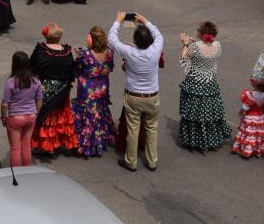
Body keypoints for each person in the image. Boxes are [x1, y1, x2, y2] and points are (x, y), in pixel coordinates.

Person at [109, 12, 164, 172]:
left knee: (133, 129)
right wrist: (145, 20)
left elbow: (112, 40)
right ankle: (152, 160)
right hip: (152, 96)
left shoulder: (129, 52)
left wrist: (118, 21)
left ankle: (131, 161)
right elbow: (158, 33)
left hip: (133, 96)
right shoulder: (155, 49)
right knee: (152, 128)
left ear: (135, 41)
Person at [177, 22, 233, 152]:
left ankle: (193, 140)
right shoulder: (218, 45)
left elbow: (184, 58)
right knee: (209, 112)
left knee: (193, 112)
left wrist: (185, 43)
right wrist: (193, 41)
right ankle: (210, 138)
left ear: (201, 34)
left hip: (195, 82)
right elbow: (206, 47)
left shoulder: (195, 47)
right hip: (210, 82)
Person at [29, 24, 77, 156]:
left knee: (45, 116)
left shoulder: (40, 50)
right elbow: (71, 71)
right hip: (62, 89)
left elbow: (31, 66)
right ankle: (55, 142)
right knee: (58, 115)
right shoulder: (66, 52)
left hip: (44, 88)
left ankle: (45, 144)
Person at [71, 27, 116, 157]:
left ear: (94, 40)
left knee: (88, 114)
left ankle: (86, 146)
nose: (87, 37)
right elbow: (109, 68)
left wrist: (79, 54)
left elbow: (76, 69)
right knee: (100, 112)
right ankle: (100, 140)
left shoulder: (85, 55)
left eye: (89, 36)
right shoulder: (110, 52)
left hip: (87, 91)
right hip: (102, 88)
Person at [1, 51, 42, 167]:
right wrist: (36, 114)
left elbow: (4, 104)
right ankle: (27, 172)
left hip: (15, 118)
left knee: (15, 148)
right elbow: (39, 100)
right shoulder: (35, 80)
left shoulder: (10, 82)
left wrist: (4, 118)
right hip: (31, 116)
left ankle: (16, 175)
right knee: (26, 146)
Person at [231, 83, 264, 159]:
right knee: (256, 134)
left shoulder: (249, 94)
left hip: (249, 117)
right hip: (259, 117)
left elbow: (245, 108)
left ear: (256, 85)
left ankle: (246, 151)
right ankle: (256, 150)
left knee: (248, 134)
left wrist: (240, 111)